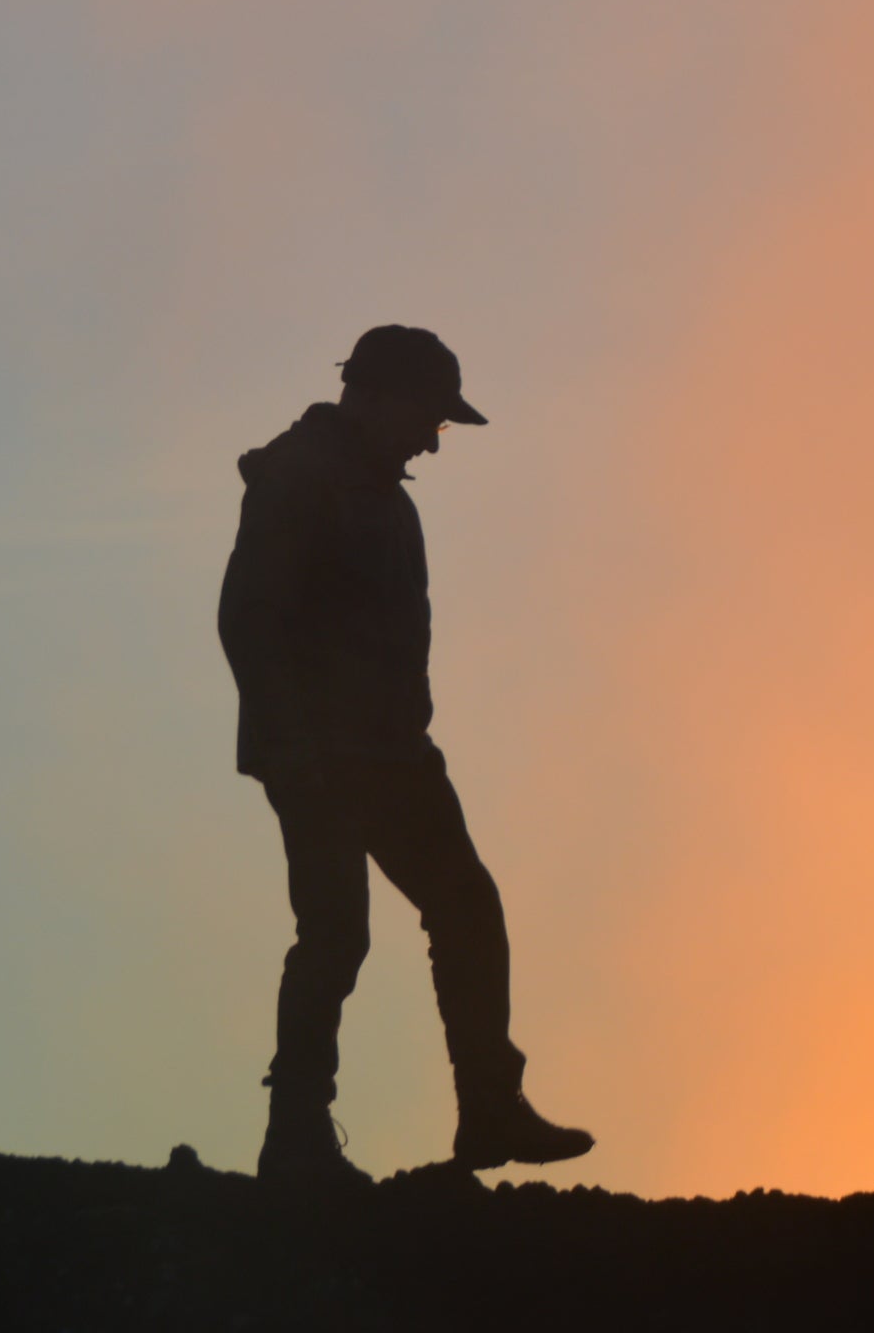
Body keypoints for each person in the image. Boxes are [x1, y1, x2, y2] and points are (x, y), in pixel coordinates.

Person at [218, 324, 592, 1190]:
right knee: (337, 935)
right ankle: (297, 1138)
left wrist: (404, 736)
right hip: (316, 755)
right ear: (377, 396)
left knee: (466, 905)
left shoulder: (388, 498)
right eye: (430, 416)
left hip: (390, 754)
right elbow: (248, 618)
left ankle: (490, 1110)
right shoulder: (301, 477)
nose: (434, 438)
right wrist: (293, 747)